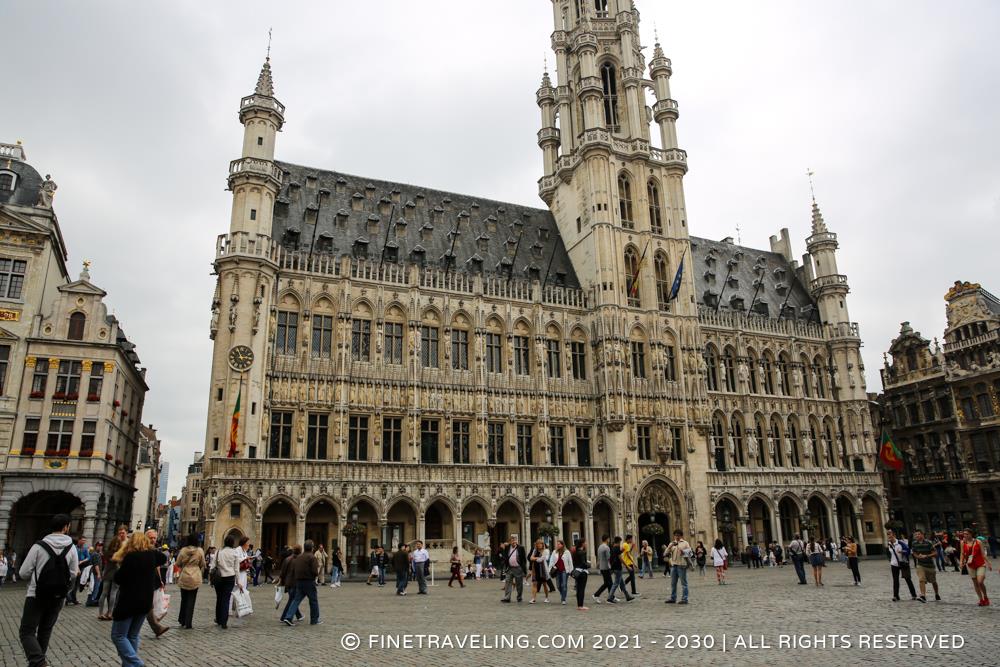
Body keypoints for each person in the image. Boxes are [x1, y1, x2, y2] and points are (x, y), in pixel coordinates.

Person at [18, 513, 79, 667]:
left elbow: (23, 572)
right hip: (58, 596)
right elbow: (73, 573)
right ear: (66, 527)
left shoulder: (39, 546)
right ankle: (39, 662)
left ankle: (38, 662)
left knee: (27, 631)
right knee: (45, 630)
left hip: (36, 594)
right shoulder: (72, 548)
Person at [110, 531, 168, 667]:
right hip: (145, 602)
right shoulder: (152, 555)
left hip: (129, 602)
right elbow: (163, 558)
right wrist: (150, 547)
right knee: (133, 635)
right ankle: (129, 665)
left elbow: (118, 578)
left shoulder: (131, 557)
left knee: (118, 635)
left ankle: (136, 663)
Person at [282, 540, 322, 626]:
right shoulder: (312, 557)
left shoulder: (299, 557)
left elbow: (295, 569)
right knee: (313, 600)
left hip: (299, 582)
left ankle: (288, 617)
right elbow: (315, 571)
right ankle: (314, 620)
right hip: (308, 581)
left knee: (296, 600)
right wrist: (314, 576)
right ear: (311, 548)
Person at [175, 534, 206, 629]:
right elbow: (203, 563)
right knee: (191, 600)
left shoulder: (183, 550)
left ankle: (182, 619)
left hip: (185, 575)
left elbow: (178, 563)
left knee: (184, 599)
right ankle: (188, 622)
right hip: (195, 575)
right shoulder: (200, 550)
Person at [212, 535, 242, 629]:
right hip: (230, 577)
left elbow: (213, 566)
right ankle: (224, 622)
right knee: (226, 599)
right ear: (232, 543)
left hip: (219, 577)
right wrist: (238, 581)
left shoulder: (219, 552)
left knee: (219, 598)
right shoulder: (235, 553)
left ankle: (218, 618)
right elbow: (237, 569)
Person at [99, 526, 128, 621]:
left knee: (107, 593)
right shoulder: (120, 544)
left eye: (123, 532)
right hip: (117, 570)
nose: (121, 534)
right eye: (120, 532)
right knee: (113, 593)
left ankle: (104, 612)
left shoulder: (116, 544)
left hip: (110, 570)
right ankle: (110, 612)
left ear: (126, 532)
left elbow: (106, 556)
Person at [959, 527, 992, 606]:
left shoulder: (978, 542)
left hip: (980, 564)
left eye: (967, 534)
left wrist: (989, 563)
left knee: (980, 582)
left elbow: (983, 554)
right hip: (970, 565)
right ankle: (981, 600)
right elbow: (962, 553)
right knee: (975, 583)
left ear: (971, 534)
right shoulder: (963, 543)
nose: (965, 535)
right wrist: (961, 562)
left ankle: (985, 597)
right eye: (964, 534)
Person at [909, 529, 940, 602]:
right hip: (920, 565)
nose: (917, 536)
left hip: (930, 565)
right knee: (921, 579)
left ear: (922, 535)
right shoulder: (914, 543)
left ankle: (936, 593)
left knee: (933, 581)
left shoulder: (929, 542)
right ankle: (923, 595)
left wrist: (926, 556)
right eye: (916, 535)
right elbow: (914, 553)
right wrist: (918, 556)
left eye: (918, 534)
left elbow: (935, 553)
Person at [887, 529, 917, 601]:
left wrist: (902, 551)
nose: (888, 535)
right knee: (895, 580)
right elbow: (889, 553)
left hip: (903, 563)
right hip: (894, 564)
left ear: (894, 535)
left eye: (889, 534)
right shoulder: (889, 544)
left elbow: (908, 551)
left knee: (907, 579)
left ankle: (913, 595)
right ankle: (896, 596)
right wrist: (890, 560)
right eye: (887, 534)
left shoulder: (900, 543)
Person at [664, 530, 691, 604]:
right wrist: (669, 547)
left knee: (684, 583)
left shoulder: (685, 543)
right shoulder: (672, 543)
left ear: (681, 536)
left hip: (681, 565)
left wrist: (684, 552)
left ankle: (685, 599)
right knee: (673, 583)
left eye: (678, 535)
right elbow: (665, 553)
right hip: (674, 565)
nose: (677, 537)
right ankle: (673, 598)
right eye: (675, 535)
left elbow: (690, 553)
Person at [278, 545, 303, 621]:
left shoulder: (287, 559)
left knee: (293, 599)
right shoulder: (299, 560)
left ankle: (299, 615)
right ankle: (284, 617)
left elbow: (282, 572)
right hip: (294, 583)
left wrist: (282, 581)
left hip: (287, 583)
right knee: (292, 600)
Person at [500, 536, 527, 603]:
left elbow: (524, 559)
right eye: (512, 541)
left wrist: (523, 569)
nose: (514, 542)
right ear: (510, 542)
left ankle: (519, 597)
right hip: (509, 568)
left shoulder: (521, 548)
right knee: (508, 582)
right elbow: (504, 555)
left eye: (515, 540)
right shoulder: (507, 547)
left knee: (519, 584)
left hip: (518, 568)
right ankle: (507, 597)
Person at [608, 536, 634, 603]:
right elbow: (620, 558)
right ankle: (610, 598)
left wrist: (622, 551)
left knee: (622, 583)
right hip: (618, 567)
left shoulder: (613, 548)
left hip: (614, 567)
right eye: (620, 542)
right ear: (619, 541)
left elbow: (613, 556)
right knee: (616, 583)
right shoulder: (616, 548)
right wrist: (627, 566)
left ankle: (627, 596)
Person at [548, 539, 573, 605]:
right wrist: (550, 569)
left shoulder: (567, 552)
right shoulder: (554, 552)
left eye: (559, 544)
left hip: (565, 571)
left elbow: (570, 562)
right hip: (557, 570)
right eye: (557, 544)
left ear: (562, 545)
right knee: (558, 586)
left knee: (564, 585)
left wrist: (571, 571)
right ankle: (563, 595)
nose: (557, 545)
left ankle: (563, 599)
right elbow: (551, 561)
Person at [66, 536, 89, 606]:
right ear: (79, 540)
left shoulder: (85, 549)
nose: (84, 542)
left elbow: (88, 557)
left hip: (81, 566)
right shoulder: (74, 548)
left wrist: (82, 561)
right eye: (82, 540)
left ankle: (73, 599)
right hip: (73, 566)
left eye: (85, 540)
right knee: (71, 583)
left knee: (76, 584)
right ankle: (68, 599)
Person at [591, 534, 612, 604]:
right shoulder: (606, 547)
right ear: (606, 539)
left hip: (602, 567)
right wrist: (611, 566)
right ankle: (596, 595)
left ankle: (611, 596)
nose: (609, 540)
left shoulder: (599, 547)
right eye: (608, 539)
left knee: (609, 583)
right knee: (607, 583)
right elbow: (608, 558)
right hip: (606, 567)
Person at [528, 539, 550, 604]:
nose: (539, 545)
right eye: (538, 544)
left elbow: (542, 559)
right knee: (534, 583)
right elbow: (531, 558)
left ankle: (546, 598)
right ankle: (533, 598)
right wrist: (536, 558)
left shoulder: (545, 551)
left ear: (543, 544)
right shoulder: (535, 550)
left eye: (540, 544)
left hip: (542, 569)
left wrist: (535, 558)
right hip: (535, 568)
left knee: (544, 584)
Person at [571, 539, 590, 611]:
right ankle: (581, 605)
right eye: (585, 542)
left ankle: (579, 605)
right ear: (582, 544)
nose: (586, 544)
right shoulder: (582, 552)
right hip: (582, 572)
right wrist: (588, 565)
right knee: (582, 589)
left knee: (578, 589)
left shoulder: (575, 552)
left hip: (577, 572)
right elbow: (583, 563)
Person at [85, 542, 104, 607]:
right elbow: (96, 565)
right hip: (95, 574)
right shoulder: (96, 554)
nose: (100, 547)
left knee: (92, 588)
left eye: (101, 546)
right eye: (99, 545)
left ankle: (89, 601)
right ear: (96, 546)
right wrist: (99, 574)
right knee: (95, 588)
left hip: (95, 574)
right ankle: (92, 601)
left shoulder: (98, 554)